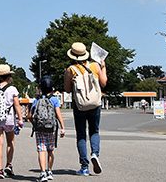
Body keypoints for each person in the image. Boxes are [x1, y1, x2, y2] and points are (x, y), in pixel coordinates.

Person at [63, 42, 108, 176]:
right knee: (94, 131)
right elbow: (103, 83)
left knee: (81, 134)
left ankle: (84, 167)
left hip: (80, 105)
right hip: (95, 104)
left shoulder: (70, 69)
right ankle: (95, 153)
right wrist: (103, 67)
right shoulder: (95, 66)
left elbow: (67, 89)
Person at [0, 63, 24, 178]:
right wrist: (20, 119)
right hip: (8, 119)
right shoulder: (12, 89)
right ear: (9, 76)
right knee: (10, 142)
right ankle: (9, 165)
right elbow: (17, 105)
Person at [28, 75, 65, 181]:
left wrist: (34, 124)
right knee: (50, 150)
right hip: (51, 129)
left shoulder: (36, 100)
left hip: (39, 129)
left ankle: (43, 172)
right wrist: (62, 127)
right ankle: (49, 171)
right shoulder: (54, 100)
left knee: (41, 150)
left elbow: (29, 116)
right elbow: (58, 114)